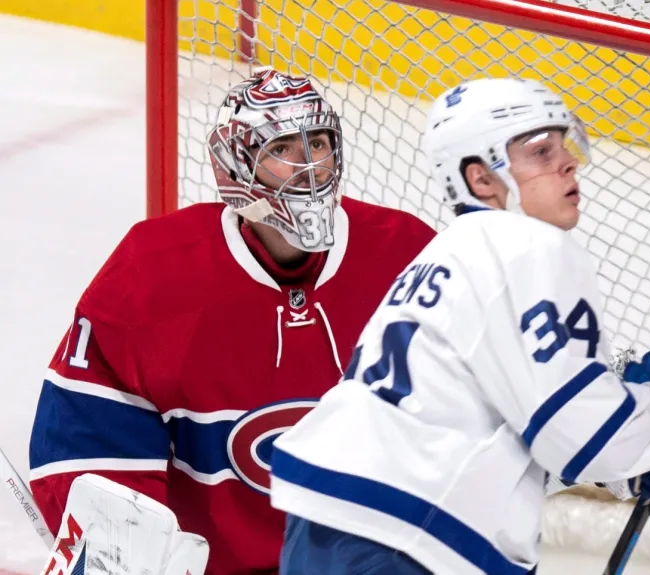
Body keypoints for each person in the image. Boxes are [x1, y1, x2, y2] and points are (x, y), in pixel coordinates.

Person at [268, 77, 650, 575]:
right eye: (540, 152)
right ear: (482, 179)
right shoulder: (530, 245)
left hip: (329, 518)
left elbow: (489, 422)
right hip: (408, 536)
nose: (567, 161)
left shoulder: (446, 252)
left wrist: (632, 463)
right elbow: (582, 437)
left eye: (563, 145)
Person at [27, 68, 436, 575]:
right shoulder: (152, 272)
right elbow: (85, 446)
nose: (308, 166)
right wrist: (124, 556)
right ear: (234, 167)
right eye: (282, 150)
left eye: (319, 143)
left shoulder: (409, 255)